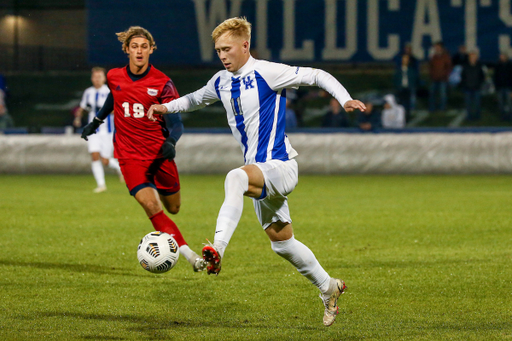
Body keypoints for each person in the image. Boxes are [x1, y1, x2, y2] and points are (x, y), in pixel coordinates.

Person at [147, 17, 365, 327]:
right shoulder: (221, 81)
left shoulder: (268, 72)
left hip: (281, 166)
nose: (222, 56)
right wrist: (166, 108)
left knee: (235, 177)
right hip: (260, 172)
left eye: (227, 49)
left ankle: (217, 249)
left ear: (245, 45)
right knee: (282, 242)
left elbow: (317, 75)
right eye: (218, 50)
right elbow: (196, 99)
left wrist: (344, 99)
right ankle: (328, 287)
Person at [81, 26, 206, 272]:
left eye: (144, 46)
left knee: (174, 208)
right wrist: (96, 121)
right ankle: (191, 256)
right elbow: (113, 98)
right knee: (152, 207)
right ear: (127, 49)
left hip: (159, 155)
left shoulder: (162, 83)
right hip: (129, 156)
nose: (139, 51)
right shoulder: (114, 76)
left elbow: (176, 123)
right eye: (134, 46)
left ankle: (162, 210)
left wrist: (171, 142)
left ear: (151, 50)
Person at [74, 67, 122, 193]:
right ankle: (101, 185)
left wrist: (105, 111)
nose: (97, 79)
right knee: (94, 155)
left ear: (104, 78)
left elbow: (117, 110)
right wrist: (78, 118)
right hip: (93, 130)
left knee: (105, 160)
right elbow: (82, 107)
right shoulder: (88, 92)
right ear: (92, 78)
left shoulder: (109, 92)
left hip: (107, 130)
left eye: (99, 77)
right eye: (95, 77)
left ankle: (120, 168)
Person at [461, 50, 486, 121]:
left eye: (474, 56)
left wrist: (479, 84)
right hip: (467, 87)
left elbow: (482, 76)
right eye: (471, 57)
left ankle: (477, 116)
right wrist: (464, 84)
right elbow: (463, 76)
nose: (472, 58)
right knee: (468, 104)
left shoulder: (479, 66)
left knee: (477, 103)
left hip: (476, 87)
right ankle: (469, 116)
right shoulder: (465, 65)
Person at [428, 41, 452, 112]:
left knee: (442, 95)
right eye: (435, 47)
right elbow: (431, 67)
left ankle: (442, 108)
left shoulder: (445, 57)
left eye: (438, 47)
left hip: (443, 79)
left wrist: (445, 75)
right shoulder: (434, 57)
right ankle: (432, 108)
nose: (436, 48)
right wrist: (432, 74)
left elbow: (449, 67)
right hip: (434, 78)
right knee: (432, 94)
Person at [394, 54, 418, 119]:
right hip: (400, 89)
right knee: (400, 104)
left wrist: (412, 86)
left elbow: (414, 79)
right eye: (404, 59)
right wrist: (398, 87)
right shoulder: (399, 70)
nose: (405, 61)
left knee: (408, 104)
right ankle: (400, 117)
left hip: (408, 89)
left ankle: (407, 117)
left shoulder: (411, 70)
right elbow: (396, 79)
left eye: (406, 59)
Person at [494, 53, 512, 121]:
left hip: (508, 88)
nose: (501, 57)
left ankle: (510, 116)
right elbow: (495, 77)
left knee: (509, 103)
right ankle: (503, 116)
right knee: (501, 103)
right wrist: (496, 87)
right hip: (500, 87)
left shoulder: (510, 65)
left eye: (502, 56)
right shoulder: (498, 65)